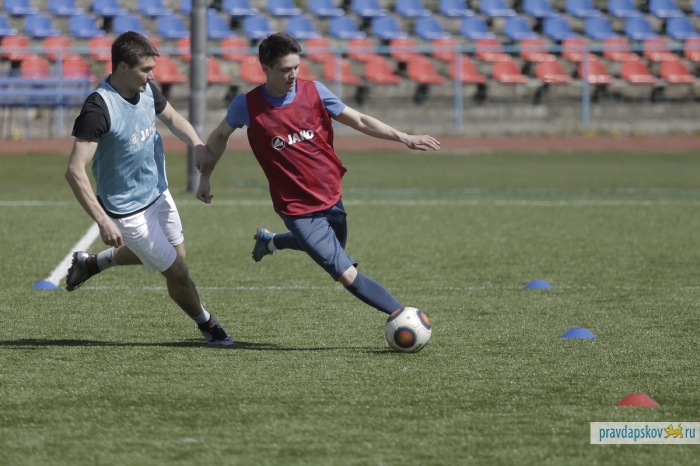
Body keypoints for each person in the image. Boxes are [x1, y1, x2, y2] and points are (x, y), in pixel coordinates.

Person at [197, 33, 440, 316]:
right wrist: (205, 178)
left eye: (296, 67)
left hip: (330, 194)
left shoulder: (315, 91)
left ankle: (271, 241)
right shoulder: (247, 105)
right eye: (285, 70)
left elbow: (359, 120)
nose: (293, 75)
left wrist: (404, 137)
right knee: (345, 272)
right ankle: (402, 314)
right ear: (265, 68)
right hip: (296, 207)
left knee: (330, 247)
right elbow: (219, 136)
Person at [64, 31, 233, 346]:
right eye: (145, 69)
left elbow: (173, 118)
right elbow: (75, 171)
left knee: (177, 254)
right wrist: (103, 220)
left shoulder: (145, 90)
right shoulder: (99, 108)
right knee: (177, 271)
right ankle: (208, 324)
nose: (152, 75)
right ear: (122, 67)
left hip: (157, 191)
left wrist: (197, 145)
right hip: (127, 210)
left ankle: (94, 262)